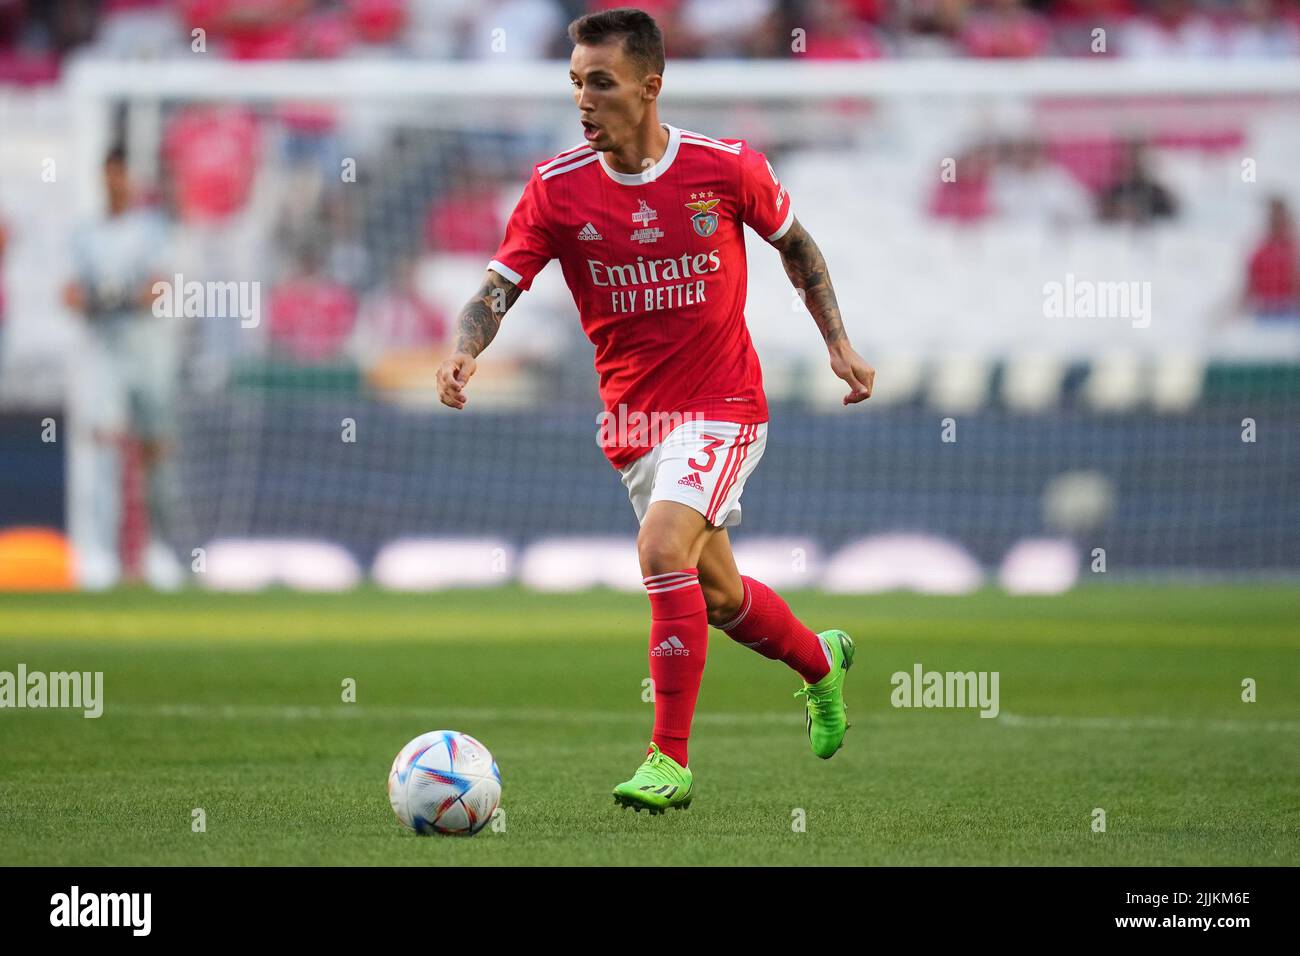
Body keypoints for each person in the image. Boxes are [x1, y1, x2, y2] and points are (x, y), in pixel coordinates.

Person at [435, 8, 876, 813]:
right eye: (574, 82)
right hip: (635, 427)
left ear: (649, 86)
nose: (583, 99)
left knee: (660, 545)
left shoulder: (725, 166)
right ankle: (821, 661)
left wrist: (837, 344)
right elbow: (499, 287)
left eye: (599, 83)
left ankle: (668, 760)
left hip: (726, 403)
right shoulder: (556, 189)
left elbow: (798, 247)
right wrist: (467, 346)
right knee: (718, 598)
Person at [65, 146, 183, 589]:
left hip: (149, 352)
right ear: (103, 176)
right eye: (111, 174)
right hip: (105, 354)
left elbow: (160, 289)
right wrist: (106, 300)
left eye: (124, 174)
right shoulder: (85, 234)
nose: (118, 182)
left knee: (156, 451)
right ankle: (100, 554)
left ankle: (160, 551)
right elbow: (70, 294)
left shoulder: (153, 231)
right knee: (104, 446)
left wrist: (113, 299)